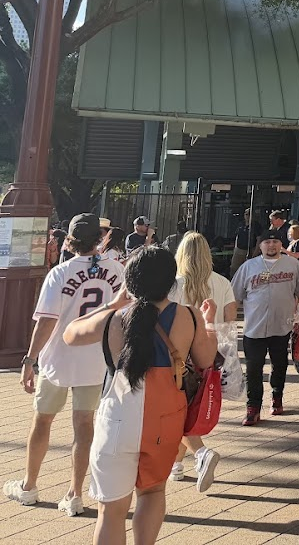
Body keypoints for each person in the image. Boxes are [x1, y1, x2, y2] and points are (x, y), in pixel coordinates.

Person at [63, 245, 217, 545]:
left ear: (130, 281)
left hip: (117, 418)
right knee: (152, 491)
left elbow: (70, 333)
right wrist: (210, 322)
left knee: (110, 511)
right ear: (172, 281)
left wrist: (111, 304)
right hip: (164, 419)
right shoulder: (190, 317)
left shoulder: (114, 319)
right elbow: (207, 359)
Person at [4, 214, 127, 515]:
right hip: (97, 358)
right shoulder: (117, 270)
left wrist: (30, 359)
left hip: (59, 357)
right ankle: (75, 493)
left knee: (43, 420)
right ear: (100, 238)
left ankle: (30, 485)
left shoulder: (60, 273)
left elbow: (46, 321)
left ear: (70, 240)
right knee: (84, 425)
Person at [168, 232, 237, 492]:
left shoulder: (174, 285)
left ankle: (200, 454)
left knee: (178, 412)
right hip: (209, 353)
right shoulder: (222, 282)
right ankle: (176, 465)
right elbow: (230, 320)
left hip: (180, 356)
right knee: (187, 410)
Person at [230, 228, 299, 426]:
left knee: (279, 364)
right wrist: (228, 321)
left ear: (281, 245)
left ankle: (277, 396)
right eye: (267, 242)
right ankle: (253, 407)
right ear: (261, 245)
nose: (271, 245)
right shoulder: (249, 267)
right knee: (253, 368)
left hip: (281, 326)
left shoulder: (292, 265)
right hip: (254, 328)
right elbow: (235, 297)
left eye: (275, 242)